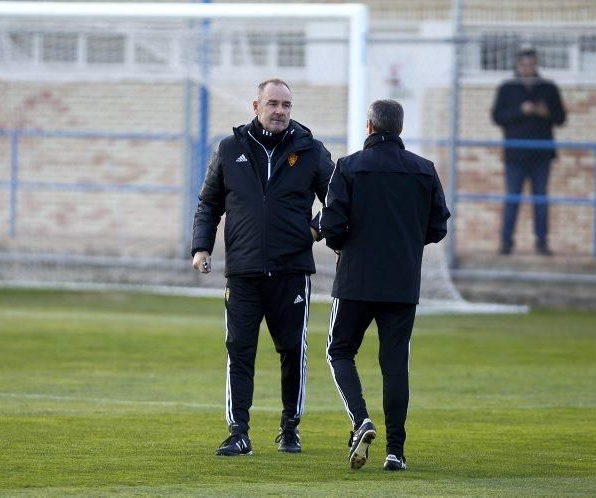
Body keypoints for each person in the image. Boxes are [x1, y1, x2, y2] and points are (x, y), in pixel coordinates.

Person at [191, 78, 334, 456]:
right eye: (273, 104)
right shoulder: (230, 148)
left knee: (291, 350)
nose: (280, 111)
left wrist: (317, 230)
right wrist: (201, 247)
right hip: (243, 271)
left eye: (286, 105)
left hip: (292, 272)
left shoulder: (311, 151)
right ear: (256, 105)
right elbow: (208, 203)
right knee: (239, 350)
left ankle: (290, 427)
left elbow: (340, 199)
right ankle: (239, 432)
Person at [320, 99, 450, 471]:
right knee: (395, 365)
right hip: (402, 282)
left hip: (356, 279)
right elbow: (438, 226)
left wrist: (342, 245)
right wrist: (407, 244)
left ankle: (360, 419)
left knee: (339, 351)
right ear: (400, 129)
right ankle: (396, 451)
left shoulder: (348, 167)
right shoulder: (424, 171)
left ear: (369, 127)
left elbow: (331, 224)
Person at [491, 47, 567, 256]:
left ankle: (542, 243)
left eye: (531, 64)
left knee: (540, 199)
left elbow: (561, 118)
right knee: (513, 198)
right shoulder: (507, 87)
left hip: (542, 155)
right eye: (524, 64)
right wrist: (520, 111)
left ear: (536, 65)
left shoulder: (548, 87)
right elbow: (497, 117)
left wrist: (545, 113)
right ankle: (506, 243)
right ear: (517, 66)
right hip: (515, 155)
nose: (528, 68)